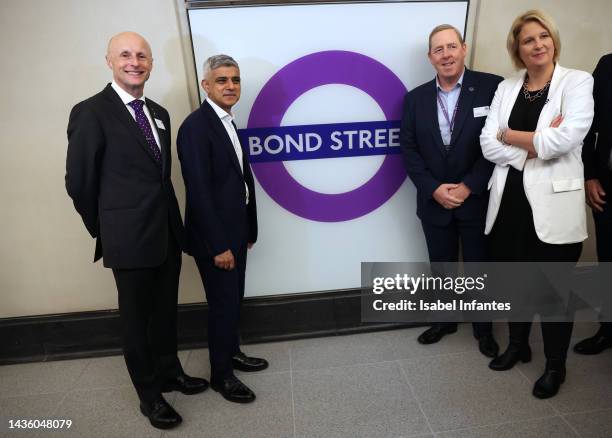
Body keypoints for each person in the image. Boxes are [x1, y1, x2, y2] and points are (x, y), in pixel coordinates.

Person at [65, 32, 208, 430]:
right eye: (125, 54)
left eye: (142, 55)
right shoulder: (91, 112)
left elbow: (160, 178)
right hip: (127, 239)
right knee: (136, 321)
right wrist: (108, 226)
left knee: (165, 314)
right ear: (109, 61)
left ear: (150, 63)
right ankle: (150, 396)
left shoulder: (159, 112)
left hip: (167, 234)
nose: (135, 61)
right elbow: (79, 182)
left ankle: (169, 371)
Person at [480, 10, 594, 398]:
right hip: (508, 202)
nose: (538, 44)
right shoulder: (506, 88)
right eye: (528, 39)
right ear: (517, 48)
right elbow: (486, 143)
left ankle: (555, 367)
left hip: (552, 207)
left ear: (553, 40)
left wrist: (509, 134)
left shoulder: (577, 81)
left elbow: (563, 141)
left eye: (543, 36)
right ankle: (517, 344)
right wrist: (532, 143)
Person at [400, 24, 502, 358]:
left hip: (476, 198)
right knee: (440, 264)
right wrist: (433, 189)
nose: (446, 54)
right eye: (438, 49)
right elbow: (409, 150)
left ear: (464, 48)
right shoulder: (415, 99)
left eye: (451, 46)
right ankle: (444, 321)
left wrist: (469, 185)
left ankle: (483, 329)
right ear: (430, 57)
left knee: (478, 266)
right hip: (434, 200)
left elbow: (497, 144)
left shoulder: (491, 88)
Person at [177, 54, 268, 404]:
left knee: (233, 301)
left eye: (235, 80)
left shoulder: (228, 121)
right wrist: (219, 245)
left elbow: (238, 181)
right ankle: (222, 376)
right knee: (221, 305)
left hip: (234, 231)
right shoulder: (196, 127)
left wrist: (246, 230)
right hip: (215, 239)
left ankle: (231, 352)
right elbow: (198, 192)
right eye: (221, 80)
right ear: (206, 85)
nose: (230, 86)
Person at [574, 53, 612, 355]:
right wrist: (589, 175)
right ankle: (608, 328)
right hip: (606, 184)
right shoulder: (608, 65)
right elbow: (586, 123)